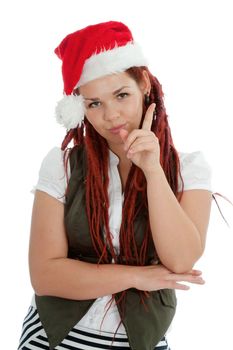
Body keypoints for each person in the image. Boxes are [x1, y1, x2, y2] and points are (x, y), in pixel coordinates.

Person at [17, 21, 212, 350]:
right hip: (54, 336)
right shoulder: (62, 166)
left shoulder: (187, 170)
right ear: (81, 108)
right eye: (94, 103)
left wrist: (152, 169)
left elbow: (180, 261)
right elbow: (45, 275)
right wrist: (137, 276)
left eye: (121, 95)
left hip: (140, 340)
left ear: (144, 84)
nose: (111, 115)